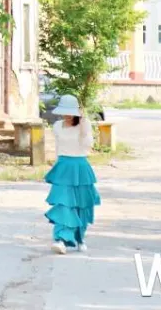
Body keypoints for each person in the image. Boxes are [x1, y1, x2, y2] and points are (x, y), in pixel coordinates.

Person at [44, 94, 101, 254]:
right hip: (63, 167)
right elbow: (58, 147)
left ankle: (80, 238)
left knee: (81, 205)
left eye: (69, 112)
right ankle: (61, 239)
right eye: (64, 112)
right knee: (63, 204)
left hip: (81, 167)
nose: (67, 115)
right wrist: (56, 165)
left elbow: (88, 145)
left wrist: (83, 127)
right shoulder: (57, 126)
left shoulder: (85, 124)